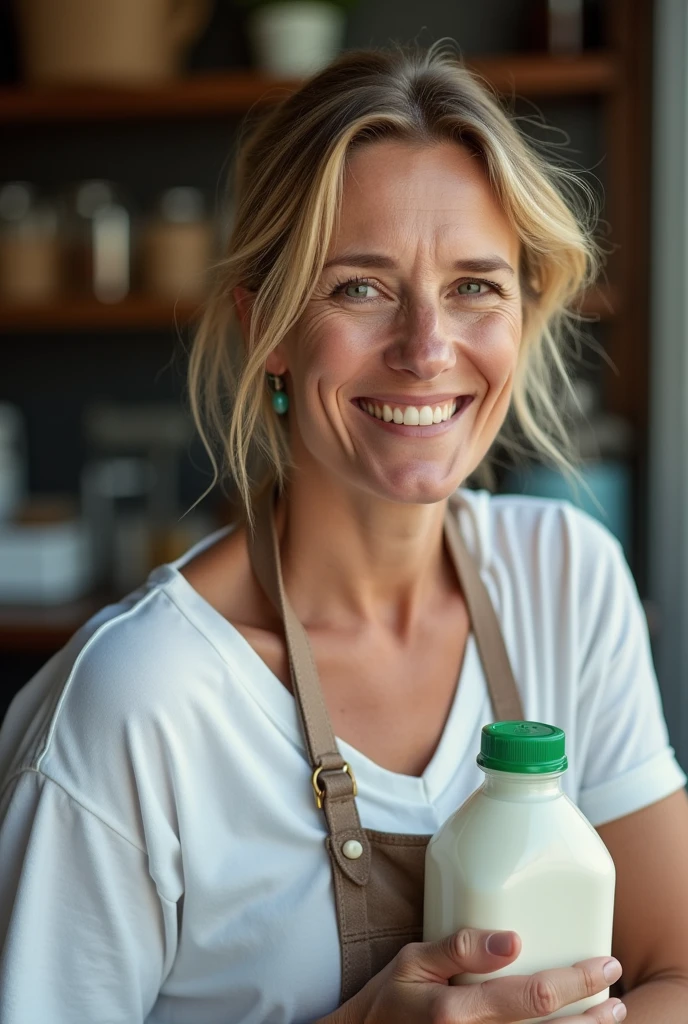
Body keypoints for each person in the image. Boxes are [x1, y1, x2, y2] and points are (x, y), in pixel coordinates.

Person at [1, 42, 687, 1024]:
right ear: (266, 327)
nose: (425, 348)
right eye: (360, 286)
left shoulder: (565, 578)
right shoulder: (135, 707)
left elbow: (678, 971)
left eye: (474, 286)